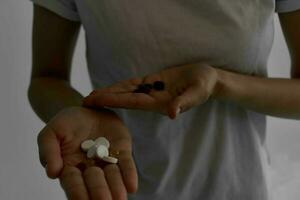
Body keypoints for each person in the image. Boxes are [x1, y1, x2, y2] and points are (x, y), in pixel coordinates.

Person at [27, 0, 300, 199]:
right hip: (121, 187)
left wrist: (220, 83)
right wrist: (79, 110)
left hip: (242, 189)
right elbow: (46, 78)